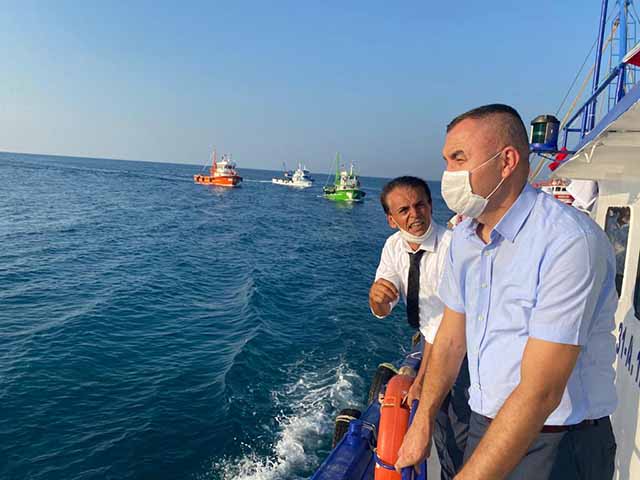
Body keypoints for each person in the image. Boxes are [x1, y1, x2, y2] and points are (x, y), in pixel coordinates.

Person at [395, 104, 618, 479]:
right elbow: (451, 339)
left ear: (507, 161)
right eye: (446, 161)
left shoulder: (567, 241)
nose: (448, 173)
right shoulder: (465, 238)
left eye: (459, 158)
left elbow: (541, 392)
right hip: (486, 423)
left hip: (558, 442)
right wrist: (424, 420)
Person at [369, 176, 470, 479]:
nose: (414, 214)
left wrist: (422, 379)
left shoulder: (453, 248)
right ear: (391, 219)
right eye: (404, 210)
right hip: (433, 342)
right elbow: (383, 307)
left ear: (430, 206)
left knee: (458, 430)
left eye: (420, 205)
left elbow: (447, 328)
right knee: (443, 427)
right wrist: (376, 298)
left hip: (464, 351)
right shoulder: (393, 247)